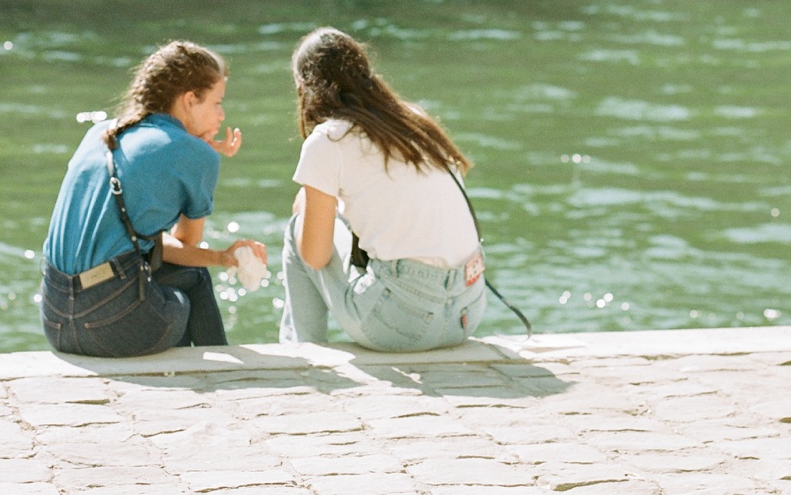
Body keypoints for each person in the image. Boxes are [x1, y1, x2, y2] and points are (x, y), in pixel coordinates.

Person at [40, 42, 265, 357]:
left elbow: (136, 241)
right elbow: (185, 244)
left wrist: (221, 257)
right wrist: (202, 156)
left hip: (56, 320)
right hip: (109, 327)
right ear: (189, 100)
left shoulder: (100, 134)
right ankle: (220, 376)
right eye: (217, 102)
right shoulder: (194, 153)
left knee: (161, 274)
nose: (221, 114)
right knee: (187, 294)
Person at [279, 28, 488, 352]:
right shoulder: (411, 121)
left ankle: (301, 352)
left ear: (304, 86)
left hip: (402, 325)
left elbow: (315, 256)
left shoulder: (329, 140)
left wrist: (309, 203)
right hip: (467, 312)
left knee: (299, 229)